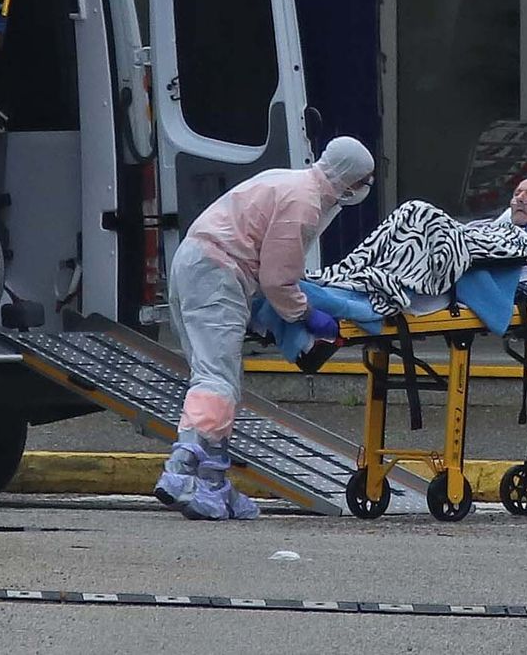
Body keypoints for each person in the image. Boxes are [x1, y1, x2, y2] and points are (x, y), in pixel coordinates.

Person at [154, 137, 374, 520]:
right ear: (350, 178)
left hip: (199, 264)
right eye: (364, 180)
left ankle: (212, 485)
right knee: (216, 378)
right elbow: (278, 281)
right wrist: (306, 315)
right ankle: (182, 466)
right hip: (216, 272)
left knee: (221, 377)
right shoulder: (304, 204)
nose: (364, 189)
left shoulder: (291, 182)